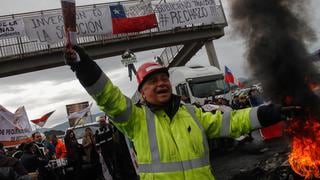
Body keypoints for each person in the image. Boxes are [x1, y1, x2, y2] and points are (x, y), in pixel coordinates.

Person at [65, 46, 299, 180]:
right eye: (152, 81)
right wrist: (83, 66)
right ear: (142, 93)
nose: (161, 84)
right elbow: (108, 96)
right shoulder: (135, 119)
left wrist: (270, 113)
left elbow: (232, 120)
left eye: (164, 79)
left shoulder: (192, 114)